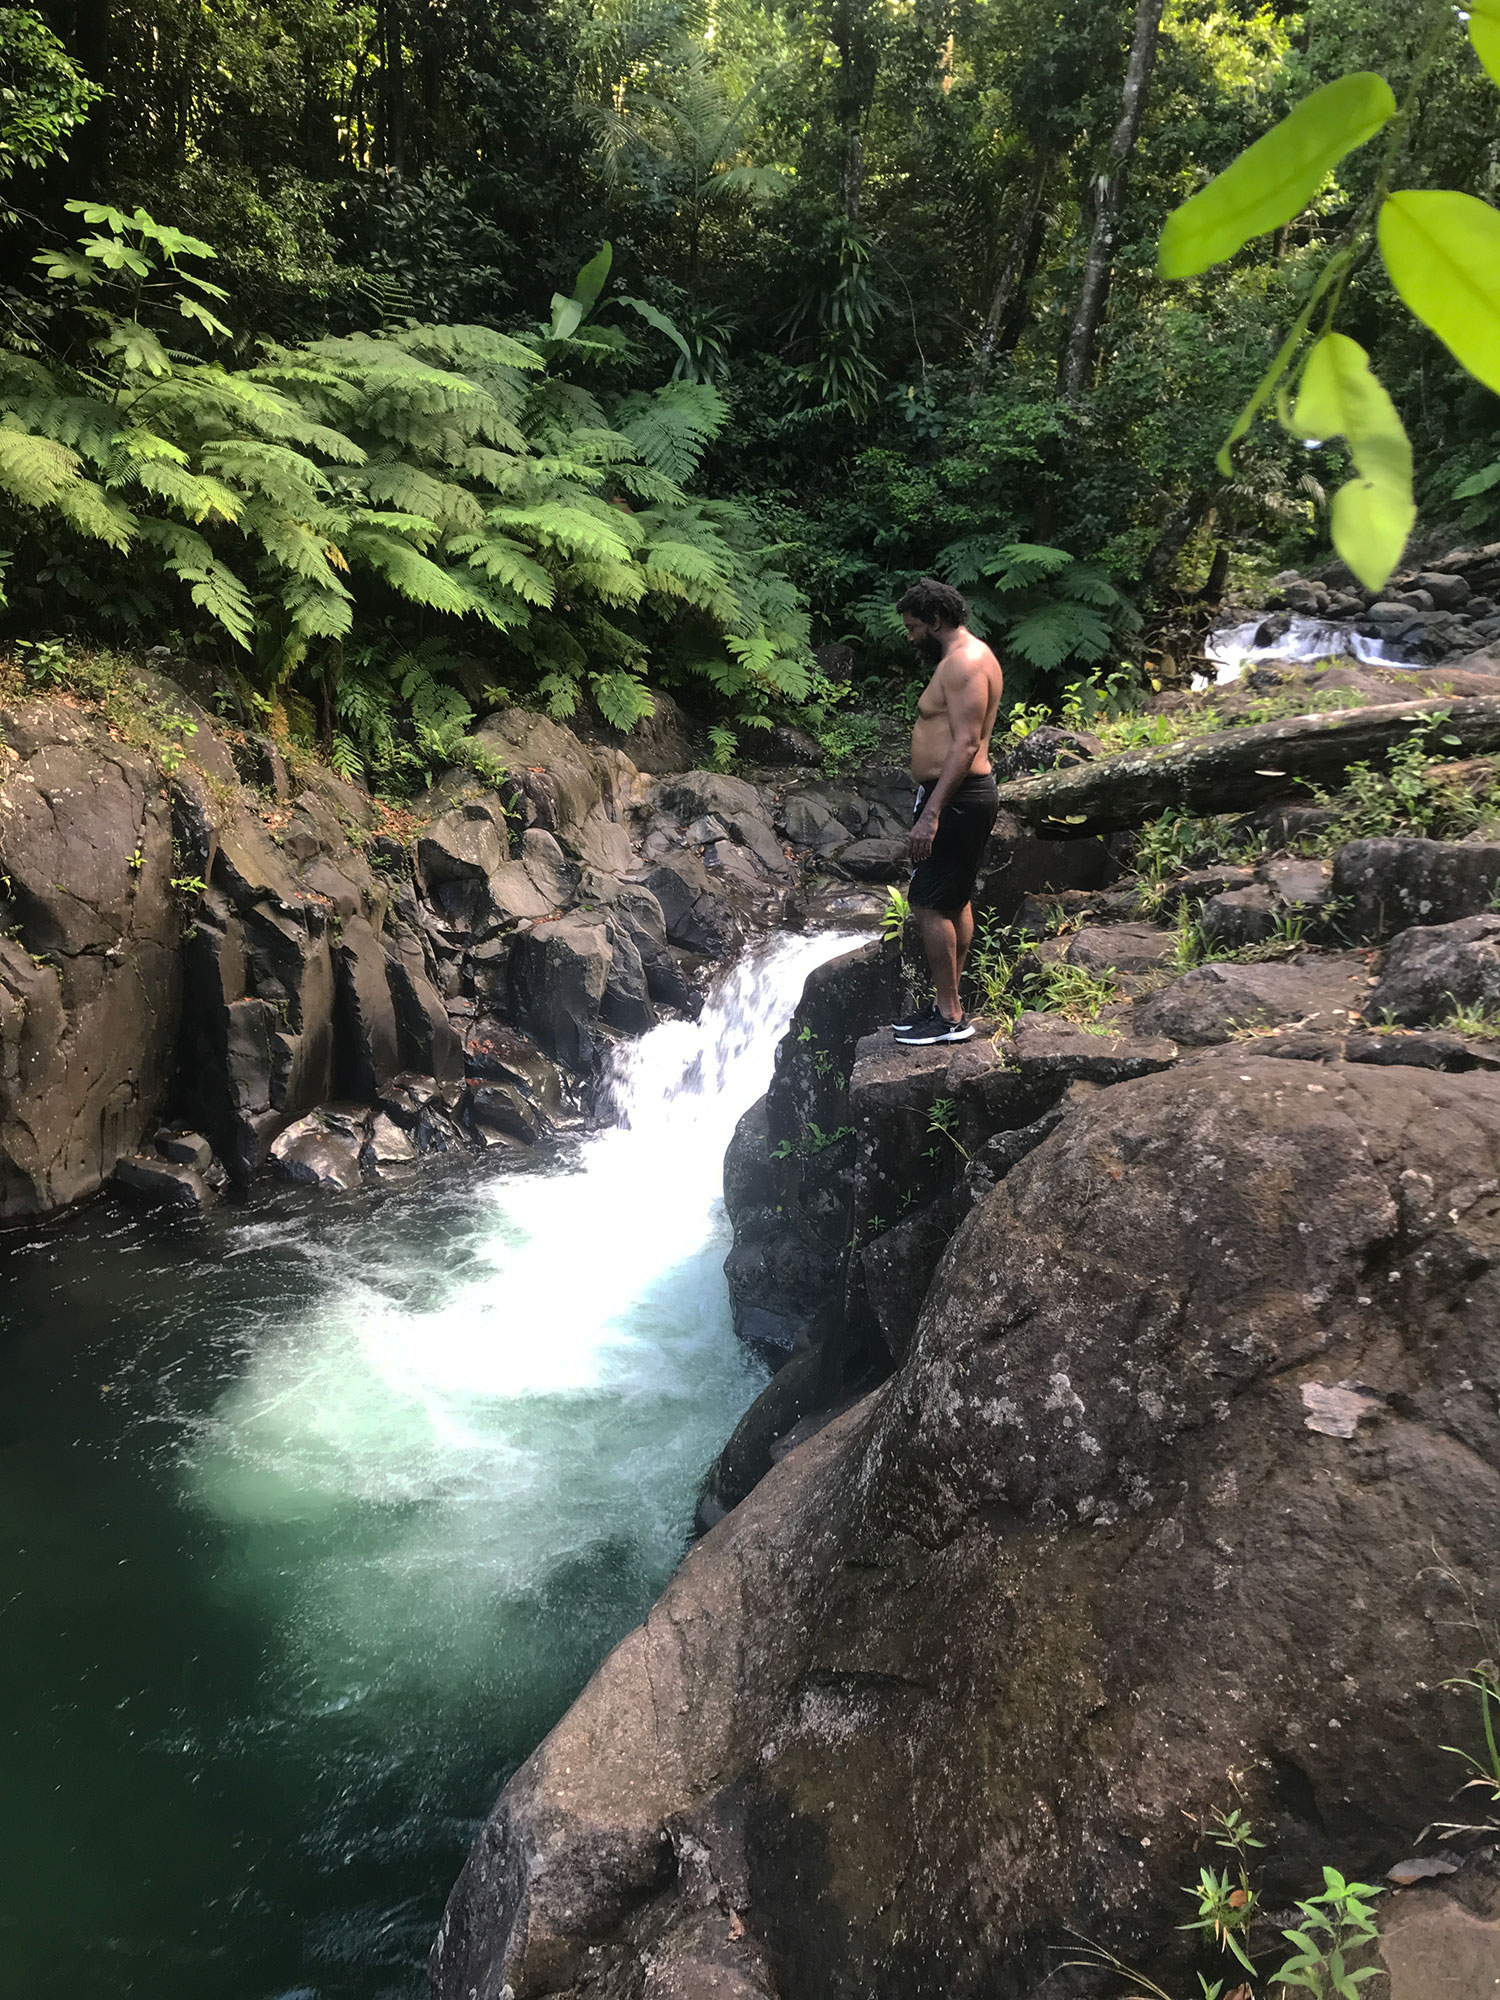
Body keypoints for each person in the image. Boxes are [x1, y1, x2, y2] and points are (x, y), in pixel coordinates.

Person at [891, 576, 1004, 1046]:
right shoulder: (964, 658)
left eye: (915, 626)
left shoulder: (963, 664)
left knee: (927, 901)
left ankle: (950, 1015)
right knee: (954, 900)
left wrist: (932, 813)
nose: (911, 635)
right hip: (958, 796)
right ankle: (946, 1002)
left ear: (936, 620)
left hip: (958, 798)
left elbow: (966, 743)